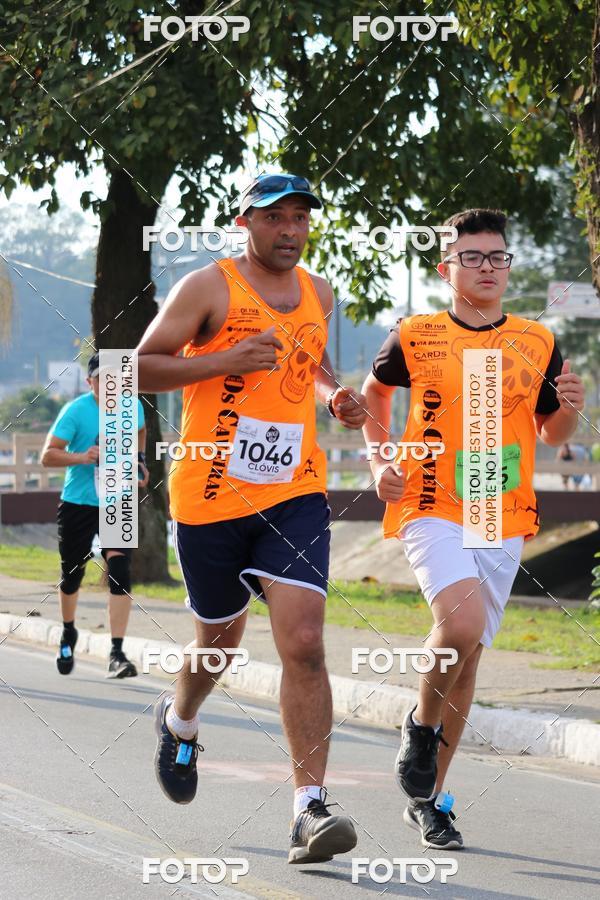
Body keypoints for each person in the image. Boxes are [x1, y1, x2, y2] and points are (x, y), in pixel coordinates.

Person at [137, 173, 367, 865]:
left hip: (293, 493)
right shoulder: (207, 288)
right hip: (209, 494)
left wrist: (333, 397)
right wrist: (223, 360)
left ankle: (310, 809)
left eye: (300, 217)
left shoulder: (319, 291)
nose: (291, 230)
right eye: (276, 219)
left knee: (302, 641)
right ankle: (179, 721)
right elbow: (137, 367)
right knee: (219, 644)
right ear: (246, 222)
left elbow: (313, 361)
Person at [362, 209, 585, 850]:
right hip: (430, 499)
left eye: (498, 257)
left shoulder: (536, 340)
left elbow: (553, 432)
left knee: (469, 657)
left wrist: (571, 406)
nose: (488, 268)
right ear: (447, 268)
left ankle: (431, 799)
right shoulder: (416, 334)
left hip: (500, 506)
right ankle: (420, 726)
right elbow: (375, 397)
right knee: (457, 627)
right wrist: (382, 461)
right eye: (474, 257)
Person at [41, 352, 149, 678]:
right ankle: (69, 630)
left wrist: (140, 461)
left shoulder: (133, 408)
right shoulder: (75, 411)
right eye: (103, 379)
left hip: (118, 499)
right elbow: (48, 456)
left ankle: (116, 652)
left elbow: (141, 432)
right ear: (90, 382)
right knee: (72, 574)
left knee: (120, 568)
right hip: (79, 502)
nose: (110, 385)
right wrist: (82, 456)